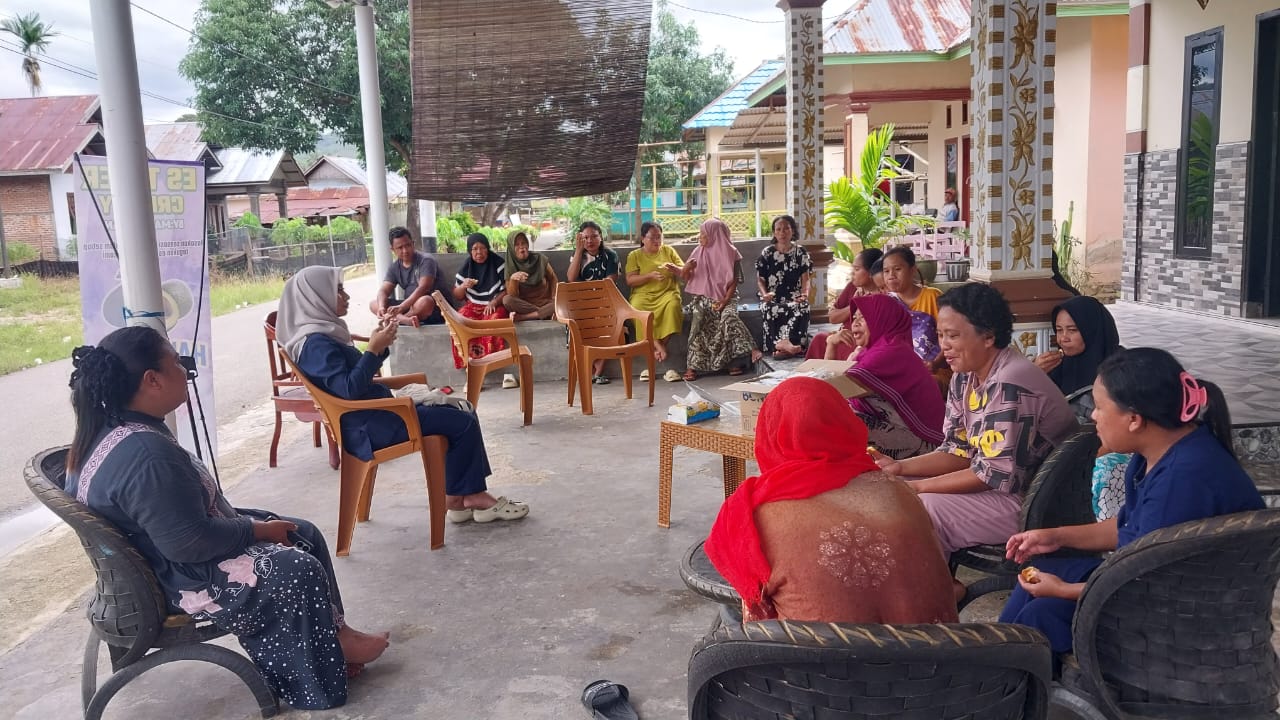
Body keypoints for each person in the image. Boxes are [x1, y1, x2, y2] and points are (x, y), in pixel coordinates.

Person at [66, 325, 390, 710]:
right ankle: (314, 678)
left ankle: (337, 635)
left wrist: (256, 527)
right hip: (173, 579)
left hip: (154, 557)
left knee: (301, 532)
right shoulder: (146, 454)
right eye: (175, 362)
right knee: (295, 567)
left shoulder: (110, 428)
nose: (185, 370)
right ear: (152, 379)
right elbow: (189, 543)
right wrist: (254, 529)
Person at [1000, 348, 1263, 656]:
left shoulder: (1184, 478)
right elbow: (1131, 526)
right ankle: (997, 669)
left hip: (1187, 614)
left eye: (1099, 407)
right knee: (1038, 567)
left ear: (1134, 419)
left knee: (1042, 614)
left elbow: (1143, 583)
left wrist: (1063, 590)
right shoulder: (1154, 454)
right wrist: (1056, 536)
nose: (1092, 416)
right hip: (1156, 585)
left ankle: (1008, 683)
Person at [277, 266, 530, 524]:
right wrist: (373, 351)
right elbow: (349, 390)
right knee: (461, 418)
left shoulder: (322, 336)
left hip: (376, 413)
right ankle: (468, 496)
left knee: (459, 410)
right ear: (315, 297)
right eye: (338, 290)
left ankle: (460, 498)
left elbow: (356, 379)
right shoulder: (315, 345)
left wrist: (380, 345)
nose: (346, 296)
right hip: (371, 424)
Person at [704, 377, 959, 624]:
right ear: (845, 423)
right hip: (932, 658)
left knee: (731, 613)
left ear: (771, 433)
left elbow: (757, 612)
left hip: (824, 663)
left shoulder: (754, 513)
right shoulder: (899, 490)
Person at [878, 283, 1077, 568]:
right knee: (891, 489)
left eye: (953, 335)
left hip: (1035, 502)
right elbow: (958, 451)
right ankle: (937, 585)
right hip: (999, 489)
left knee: (920, 505)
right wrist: (901, 469)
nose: (943, 345)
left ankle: (937, 592)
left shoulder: (1009, 382)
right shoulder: (965, 375)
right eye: (940, 335)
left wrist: (919, 488)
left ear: (988, 336)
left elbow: (991, 476)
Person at [827, 295, 945, 460]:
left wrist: (829, 345)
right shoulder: (871, 351)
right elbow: (830, 385)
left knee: (826, 425)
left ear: (882, 318)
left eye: (863, 317)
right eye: (854, 317)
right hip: (901, 430)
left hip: (922, 443)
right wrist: (831, 343)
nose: (855, 323)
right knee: (827, 417)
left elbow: (833, 389)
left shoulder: (890, 351)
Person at [682, 218, 761, 381]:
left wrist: (724, 302)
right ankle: (692, 366)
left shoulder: (732, 253)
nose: (700, 237)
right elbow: (687, 278)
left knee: (728, 317)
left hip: (727, 297)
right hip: (703, 297)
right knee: (699, 319)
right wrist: (686, 268)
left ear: (714, 235)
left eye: (703, 234)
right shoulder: (698, 252)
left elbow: (734, 282)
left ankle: (748, 351)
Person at [625, 220, 684, 369]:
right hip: (643, 295)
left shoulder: (669, 251)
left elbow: (684, 271)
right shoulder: (635, 255)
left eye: (659, 237)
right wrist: (649, 276)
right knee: (636, 307)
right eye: (653, 237)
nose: (657, 241)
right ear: (643, 239)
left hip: (667, 293)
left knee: (674, 305)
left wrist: (675, 269)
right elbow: (630, 280)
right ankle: (658, 346)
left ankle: (658, 346)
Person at [805, 247, 882, 361]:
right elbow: (833, 318)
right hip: (843, 335)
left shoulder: (883, 296)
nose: (852, 273)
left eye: (856, 269)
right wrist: (854, 303)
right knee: (820, 338)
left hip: (860, 340)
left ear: (871, 272)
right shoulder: (853, 287)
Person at [449, 232, 509, 369]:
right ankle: (468, 363)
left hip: (495, 304)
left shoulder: (498, 264)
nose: (479, 252)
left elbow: (508, 290)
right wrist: (464, 286)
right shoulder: (467, 266)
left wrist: (494, 302)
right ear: (470, 251)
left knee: (493, 320)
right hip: (473, 305)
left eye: (482, 248)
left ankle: (488, 364)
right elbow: (457, 295)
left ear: (487, 249)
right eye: (475, 249)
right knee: (459, 319)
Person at [755, 214, 812, 358]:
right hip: (772, 295)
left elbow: (806, 279)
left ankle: (791, 345)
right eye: (778, 229)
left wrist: (804, 294)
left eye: (786, 228)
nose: (782, 233)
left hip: (794, 294)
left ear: (792, 230)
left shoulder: (801, 252)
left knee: (802, 306)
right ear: (774, 232)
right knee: (770, 307)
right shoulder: (767, 253)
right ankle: (780, 346)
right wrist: (764, 294)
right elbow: (760, 279)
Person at [371, 226, 446, 326]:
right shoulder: (395, 267)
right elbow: (383, 290)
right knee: (374, 303)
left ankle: (399, 320)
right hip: (408, 307)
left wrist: (401, 307)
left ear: (413, 244)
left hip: (433, 308)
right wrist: (381, 307)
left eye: (408, 245)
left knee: (425, 301)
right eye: (400, 248)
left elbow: (424, 287)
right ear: (392, 249)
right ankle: (405, 320)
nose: (405, 250)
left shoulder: (426, 260)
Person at [502, 230, 557, 321]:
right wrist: (513, 280)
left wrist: (554, 297)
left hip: (546, 302)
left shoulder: (539, 259)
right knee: (507, 300)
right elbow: (512, 295)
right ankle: (545, 314)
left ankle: (525, 317)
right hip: (526, 306)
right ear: (512, 248)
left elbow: (553, 278)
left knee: (561, 303)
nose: (522, 247)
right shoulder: (510, 265)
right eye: (517, 245)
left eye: (523, 243)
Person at [881, 245, 941, 319]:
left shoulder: (933, 296)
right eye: (886, 271)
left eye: (897, 269)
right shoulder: (885, 302)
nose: (891, 275)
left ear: (912, 270)